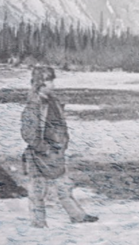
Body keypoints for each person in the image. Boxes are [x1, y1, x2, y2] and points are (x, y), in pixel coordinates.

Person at [20, 66, 98, 228]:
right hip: (38, 157)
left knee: (64, 188)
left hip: (56, 155)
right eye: (49, 81)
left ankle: (77, 216)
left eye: (52, 80)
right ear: (40, 84)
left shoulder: (53, 102)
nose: (53, 84)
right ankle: (38, 224)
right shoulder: (33, 107)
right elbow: (29, 134)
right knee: (37, 192)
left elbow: (59, 126)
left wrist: (63, 143)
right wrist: (44, 149)